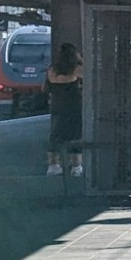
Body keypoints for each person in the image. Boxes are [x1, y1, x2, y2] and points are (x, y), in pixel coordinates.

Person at [45, 41, 83, 177]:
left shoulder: (52, 70)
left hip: (57, 104)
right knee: (75, 134)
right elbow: (91, 74)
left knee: (56, 134)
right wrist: (81, 60)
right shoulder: (75, 69)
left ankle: (53, 165)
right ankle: (76, 166)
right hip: (73, 105)